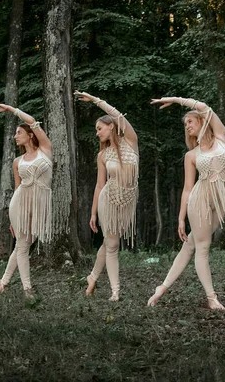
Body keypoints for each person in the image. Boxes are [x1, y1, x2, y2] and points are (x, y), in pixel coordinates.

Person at [147, 97, 225, 310]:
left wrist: (176, 100)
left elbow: (207, 108)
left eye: (190, 121)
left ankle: (162, 287)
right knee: (202, 246)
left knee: (190, 245)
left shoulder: (222, 138)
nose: (187, 126)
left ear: (201, 121)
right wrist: (180, 217)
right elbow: (188, 188)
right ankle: (211, 297)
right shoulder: (191, 155)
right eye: (185, 124)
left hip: (223, 202)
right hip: (200, 200)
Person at [75, 91, 139, 302]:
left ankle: (92, 277)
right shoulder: (102, 155)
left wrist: (95, 101)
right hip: (108, 199)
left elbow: (119, 115)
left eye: (99, 128)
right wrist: (93, 213)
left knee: (109, 241)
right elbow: (99, 185)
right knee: (112, 245)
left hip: (127, 200)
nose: (97, 133)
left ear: (111, 126)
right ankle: (115, 292)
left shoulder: (130, 141)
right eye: (95, 130)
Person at [0, 102, 53, 299]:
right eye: (15, 133)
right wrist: (12, 219)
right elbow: (17, 186)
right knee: (23, 246)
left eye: (18, 132)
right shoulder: (17, 161)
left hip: (40, 203)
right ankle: (28, 290)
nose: (15, 136)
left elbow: (33, 121)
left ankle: (3, 283)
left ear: (30, 135)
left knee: (22, 246)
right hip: (20, 204)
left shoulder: (45, 149)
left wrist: (11, 110)